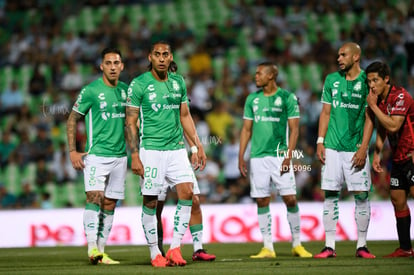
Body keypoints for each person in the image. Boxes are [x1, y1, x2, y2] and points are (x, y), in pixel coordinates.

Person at [125, 40, 205, 267]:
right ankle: (154, 254)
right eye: (157, 54)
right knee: (150, 201)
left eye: (165, 54)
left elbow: (185, 115)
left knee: (187, 193)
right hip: (151, 150)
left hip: (177, 149)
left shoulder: (179, 82)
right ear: (150, 57)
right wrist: (135, 154)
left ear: (171, 57)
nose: (161, 58)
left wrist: (197, 145)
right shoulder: (139, 84)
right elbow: (130, 122)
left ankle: (175, 248)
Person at [238, 61, 312, 259]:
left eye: (259, 73)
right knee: (262, 200)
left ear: (271, 76)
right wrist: (241, 155)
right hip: (258, 157)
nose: (256, 77)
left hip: (280, 156)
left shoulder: (287, 98)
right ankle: (268, 247)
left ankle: (297, 243)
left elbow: (295, 129)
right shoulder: (252, 99)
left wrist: (289, 156)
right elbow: (246, 129)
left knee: (290, 198)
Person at [66, 47, 128, 265]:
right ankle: (92, 247)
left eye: (116, 63)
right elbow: (72, 119)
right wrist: (73, 151)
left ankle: (102, 251)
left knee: (110, 203)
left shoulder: (125, 90)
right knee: (94, 197)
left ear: (121, 66)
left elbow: (131, 123)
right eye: (108, 63)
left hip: (121, 156)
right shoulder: (91, 90)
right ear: (102, 66)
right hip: (97, 156)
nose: (112, 67)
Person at [314, 42, 376, 259]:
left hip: (355, 149)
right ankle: (329, 246)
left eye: (343, 54)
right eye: (338, 55)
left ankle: (362, 245)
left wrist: (364, 148)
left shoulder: (367, 81)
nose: (339, 58)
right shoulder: (332, 79)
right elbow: (325, 112)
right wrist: (320, 141)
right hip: (331, 147)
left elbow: (371, 117)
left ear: (356, 56)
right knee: (330, 195)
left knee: (361, 195)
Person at [365, 61, 414, 257]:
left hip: (412, 154)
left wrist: (372, 106)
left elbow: (393, 125)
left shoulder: (401, 96)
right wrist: (377, 153)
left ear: (386, 79)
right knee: (397, 199)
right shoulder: (381, 101)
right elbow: (383, 128)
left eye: (375, 80)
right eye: (369, 82)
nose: (372, 86)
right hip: (398, 157)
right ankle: (405, 248)